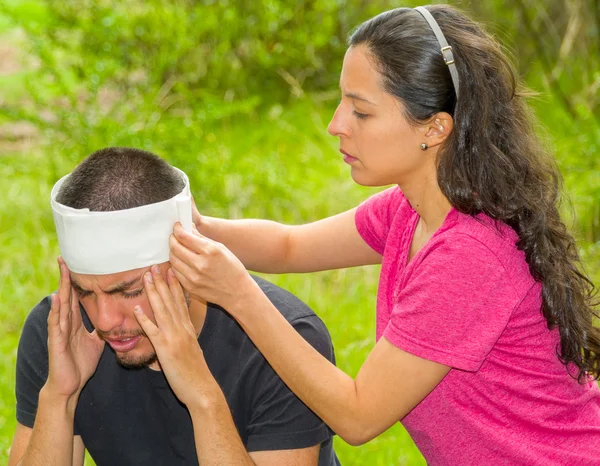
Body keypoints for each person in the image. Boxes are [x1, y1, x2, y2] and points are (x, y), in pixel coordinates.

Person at [163, 5, 600, 465]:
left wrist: (238, 294)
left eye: (361, 111)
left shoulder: (469, 255)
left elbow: (358, 416)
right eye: (341, 101)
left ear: (434, 128)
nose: (336, 124)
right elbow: (289, 245)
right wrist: (193, 228)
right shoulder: (410, 210)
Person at [9, 147, 339, 466]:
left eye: (129, 290)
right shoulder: (63, 332)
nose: (105, 320)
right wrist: (60, 396)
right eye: (85, 292)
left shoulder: (281, 341)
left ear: (185, 259)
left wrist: (203, 397)